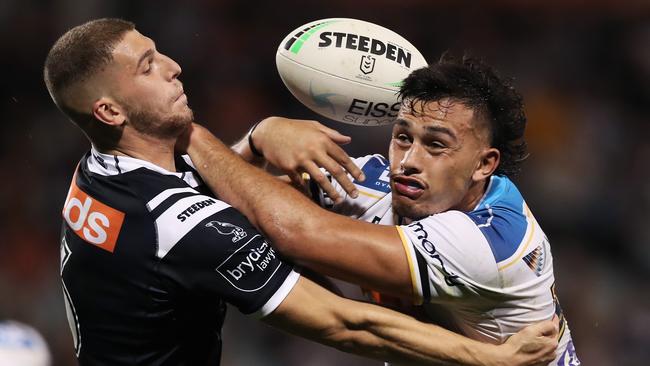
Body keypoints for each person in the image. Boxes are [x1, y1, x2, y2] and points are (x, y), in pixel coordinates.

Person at [44, 18, 559, 366]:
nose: (173, 67)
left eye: (437, 145)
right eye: (148, 65)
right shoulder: (180, 223)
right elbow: (342, 319)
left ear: (484, 164)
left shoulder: (97, 176)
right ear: (109, 112)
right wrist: (488, 359)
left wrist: (247, 139)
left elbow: (251, 206)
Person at [181, 57, 580, 365]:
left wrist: (194, 136)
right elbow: (219, 205)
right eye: (403, 137)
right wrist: (255, 141)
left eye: (436, 145)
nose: (408, 160)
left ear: (484, 164)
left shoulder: (491, 243)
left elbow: (296, 233)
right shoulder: (374, 181)